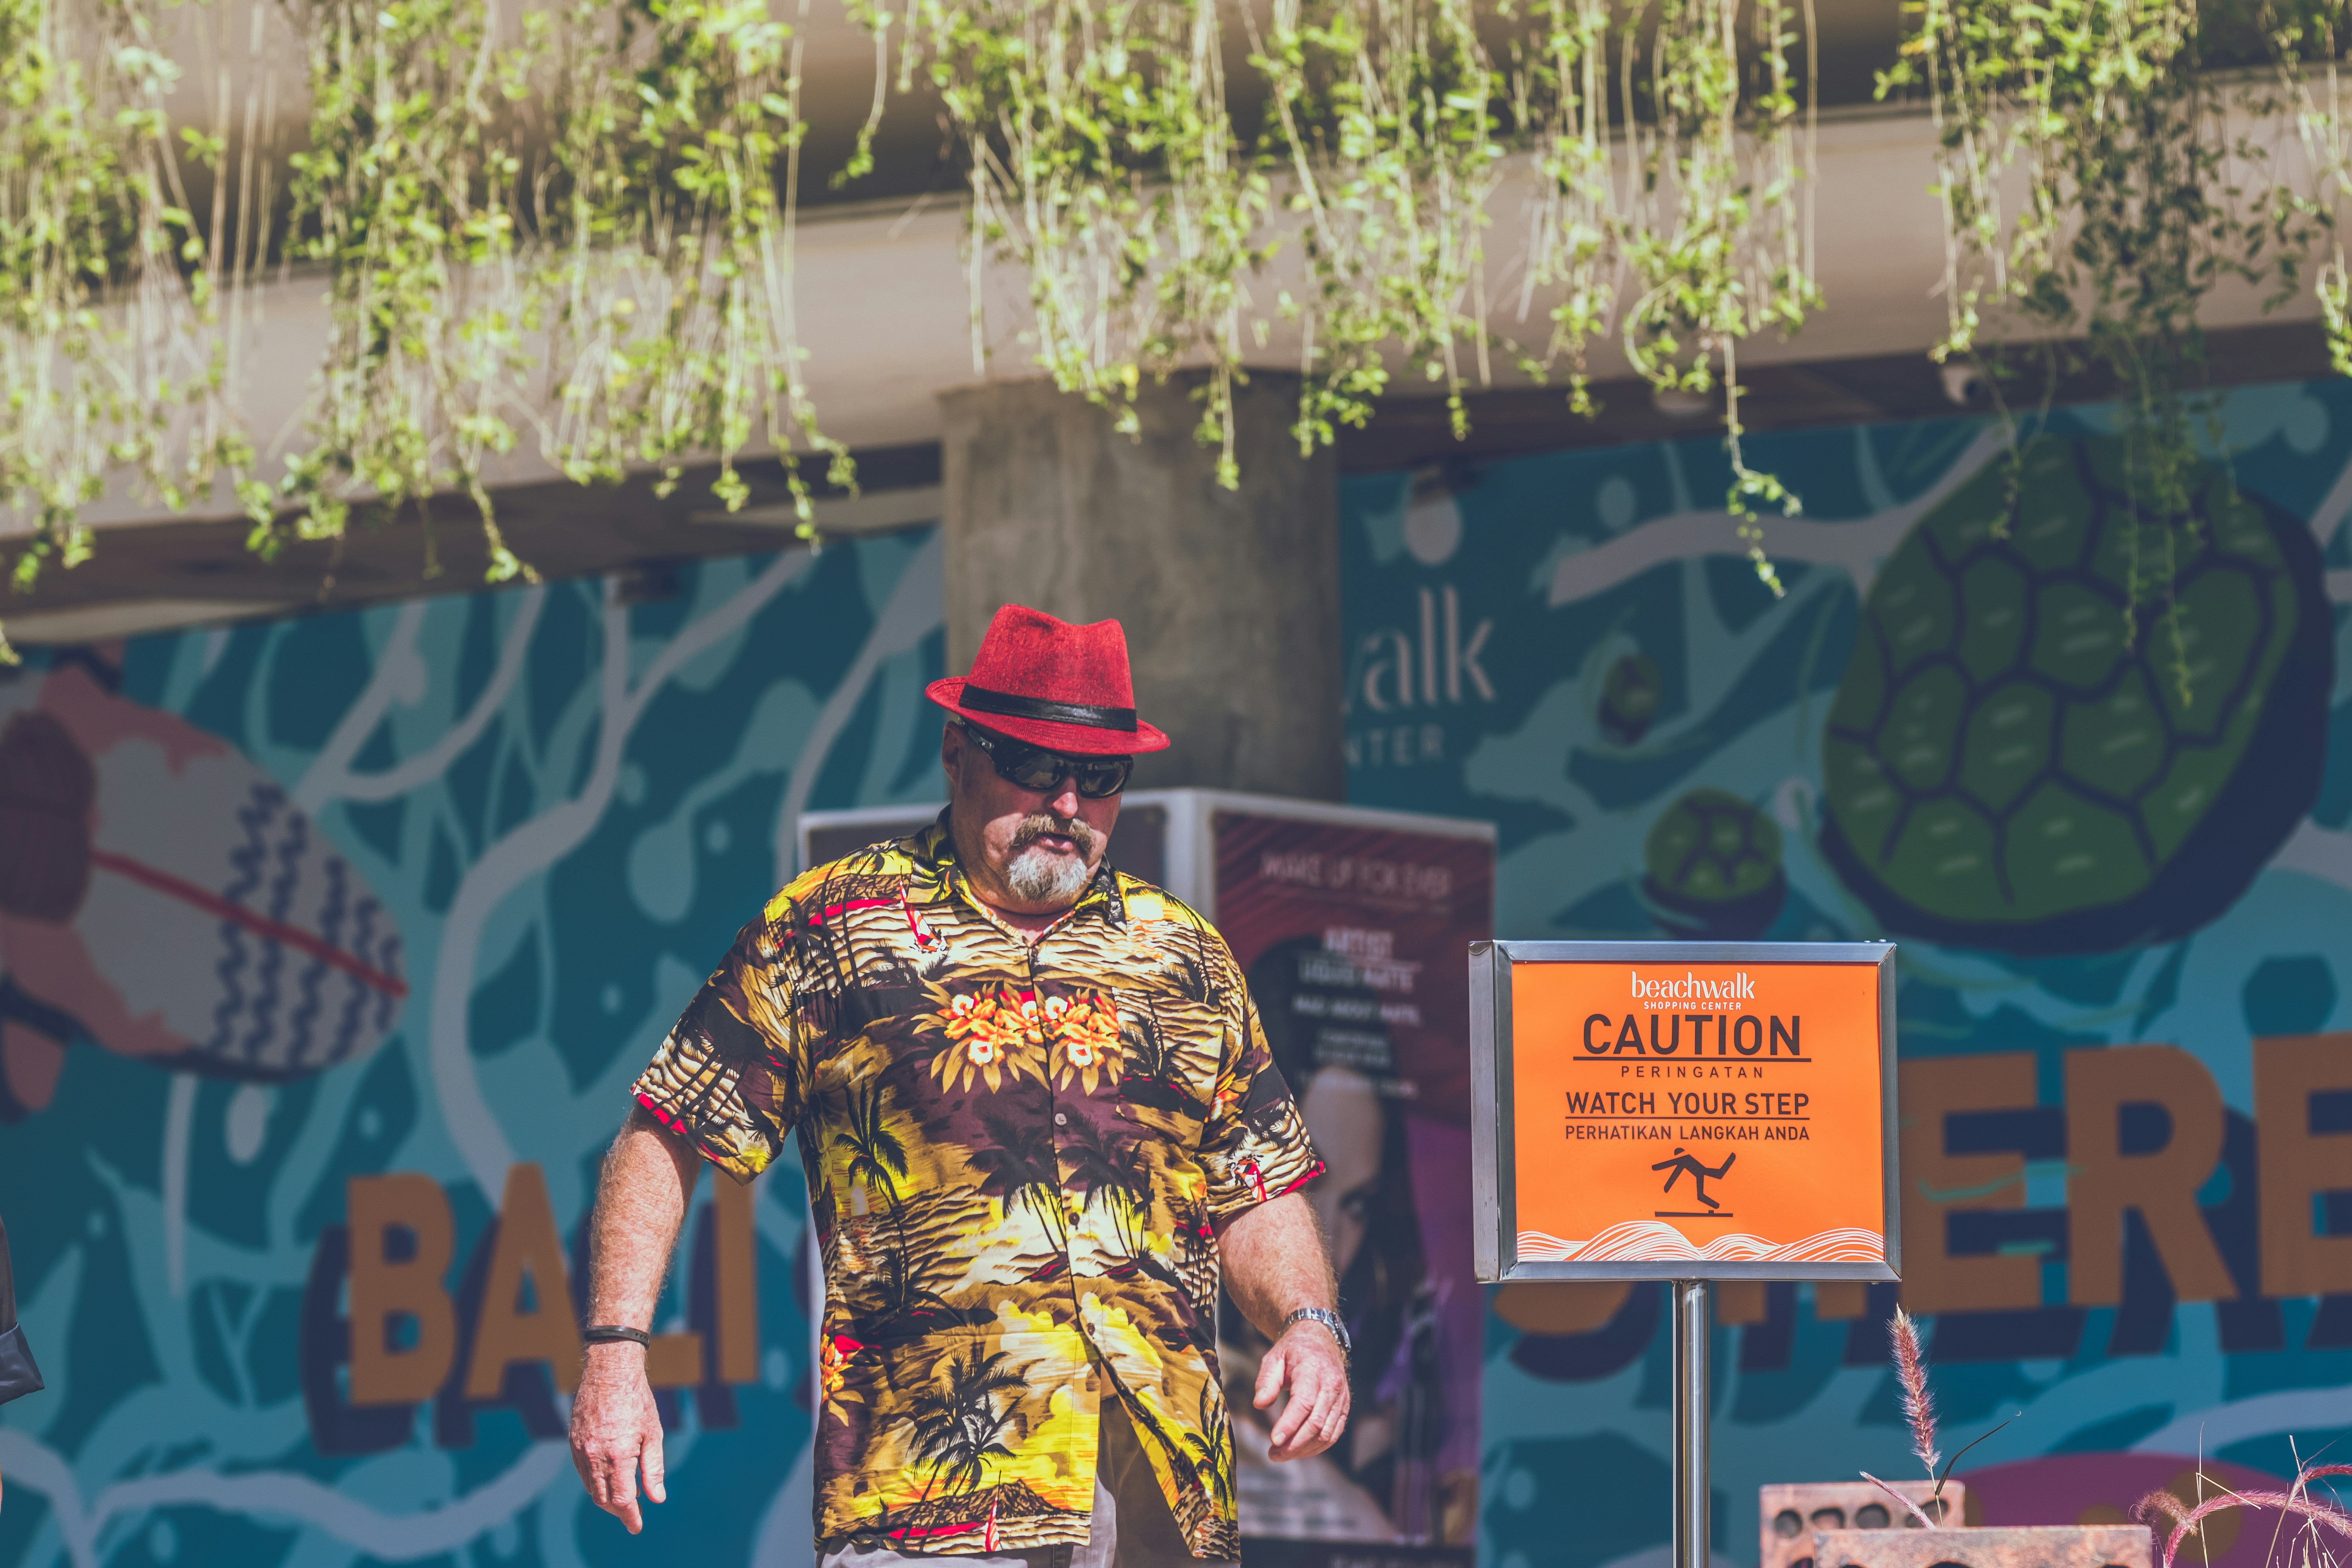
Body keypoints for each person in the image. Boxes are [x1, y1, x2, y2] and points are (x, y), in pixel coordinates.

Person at [568, 604, 1353, 1566]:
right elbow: (669, 1128)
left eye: (1100, 778)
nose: (1068, 803)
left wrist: (1311, 1325)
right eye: (1036, 766)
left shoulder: (1184, 955)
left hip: (1161, 1491)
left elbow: (1256, 1184)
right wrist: (616, 1351)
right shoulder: (834, 926)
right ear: (957, 749)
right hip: (929, 1489)